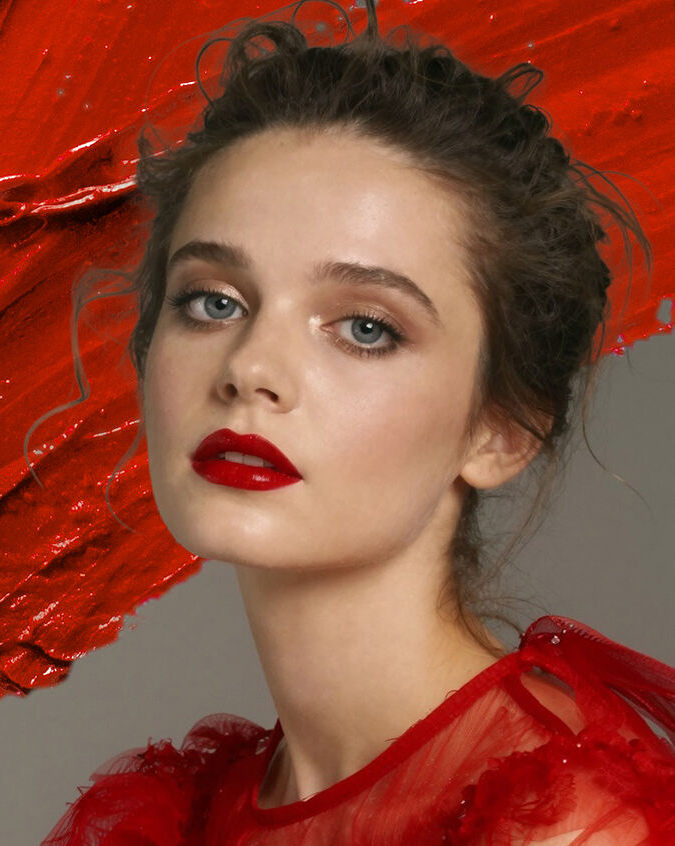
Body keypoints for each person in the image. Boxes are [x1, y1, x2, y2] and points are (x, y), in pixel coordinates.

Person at [41, 5, 675, 845]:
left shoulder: (567, 829)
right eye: (213, 301)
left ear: (500, 430)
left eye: (366, 327)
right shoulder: (179, 819)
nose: (250, 369)